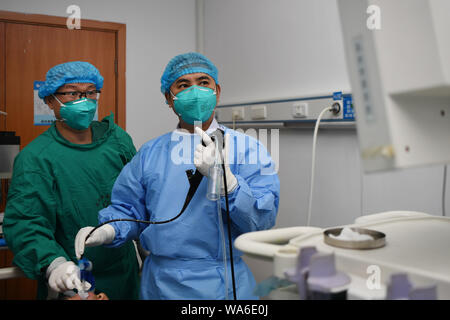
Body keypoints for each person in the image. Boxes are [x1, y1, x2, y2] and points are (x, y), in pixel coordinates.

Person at [75, 52, 280, 299]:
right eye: (183, 85)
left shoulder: (248, 149)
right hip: (161, 283)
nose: (195, 91)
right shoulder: (151, 153)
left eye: (203, 82)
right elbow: (128, 210)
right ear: (169, 98)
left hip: (223, 280)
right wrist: (107, 230)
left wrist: (229, 183)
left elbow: (261, 222)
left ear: (217, 91)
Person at [3, 61, 140, 300]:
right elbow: (26, 223)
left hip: (124, 273)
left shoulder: (116, 140)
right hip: (73, 281)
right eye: (72, 93)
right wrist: (56, 266)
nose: (83, 100)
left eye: (90, 92)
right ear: (49, 100)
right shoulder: (36, 158)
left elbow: (140, 199)